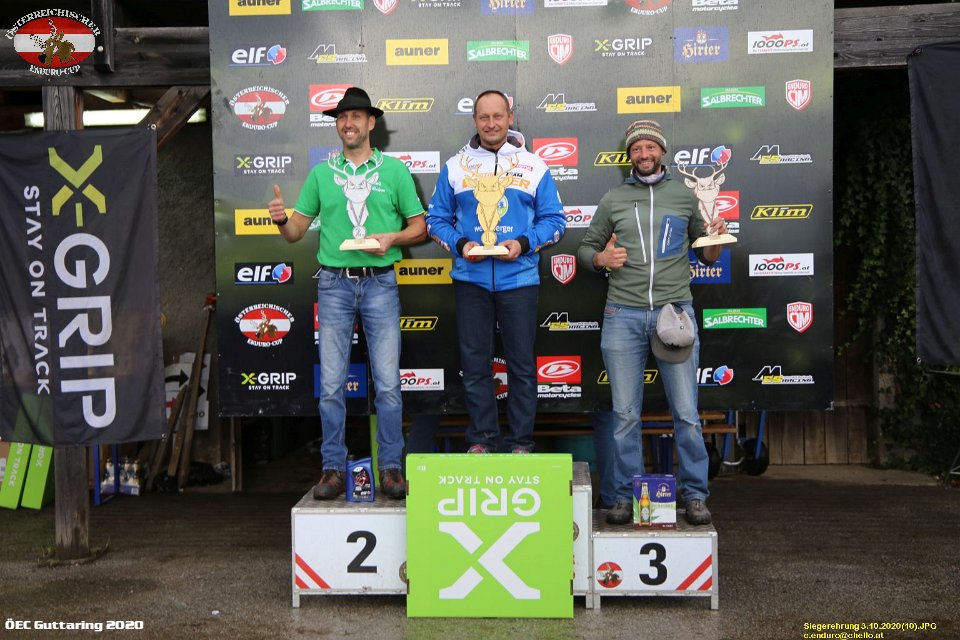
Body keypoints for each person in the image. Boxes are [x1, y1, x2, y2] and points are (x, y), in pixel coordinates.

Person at [267, 87, 426, 500]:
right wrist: (281, 219)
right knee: (332, 385)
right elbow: (295, 233)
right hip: (334, 284)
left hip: (380, 282)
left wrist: (391, 238)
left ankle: (391, 468)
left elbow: (419, 227)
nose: (348, 123)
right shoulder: (322, 174)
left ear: (371, 122)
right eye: (341, 117)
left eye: (355, 116)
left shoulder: (394, 171)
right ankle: (332, 469)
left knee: (387, 384)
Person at [577, 120, 730, 526]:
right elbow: (585, 249)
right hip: (622, 314)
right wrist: (601, 259)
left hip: (672, 313)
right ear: (629, 156)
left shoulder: (683, 195)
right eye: (636, 149)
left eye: (650, 147)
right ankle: (625, 497)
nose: (643, 154)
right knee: (625, 415)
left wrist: (716, 237)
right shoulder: (614, 198)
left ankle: (695, 495)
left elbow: (707, 254)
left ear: (662, 151)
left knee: (686, 413)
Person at [425, 90, 565, 454]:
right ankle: (482, 440)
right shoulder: (456, 166)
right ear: (475, 120)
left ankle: (521, 443)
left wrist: (523, 242)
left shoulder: (534, 166)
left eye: (498, 116)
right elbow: (435, 220)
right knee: (475, 365)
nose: (491, 124)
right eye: (484, 117)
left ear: (510, 117)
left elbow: (555, 221)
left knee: (521, 366)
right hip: (470, 280)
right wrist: (460, 244)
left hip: (519, 278)